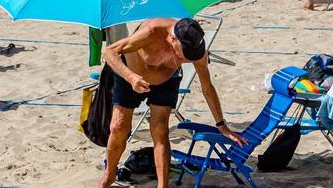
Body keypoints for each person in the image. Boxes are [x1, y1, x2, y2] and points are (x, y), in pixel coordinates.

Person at [98, 17, 240, 188]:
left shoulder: (196, 49)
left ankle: (162, 186)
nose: (185, 60)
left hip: (166, 81)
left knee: (160, 130)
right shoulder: (151, 32)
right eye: (183, 54)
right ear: (173, 39)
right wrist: (131, 77)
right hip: (131, 75)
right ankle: (109, 174)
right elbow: (109, 52)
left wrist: (221, 125)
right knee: (118, 127)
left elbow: (207, 86)